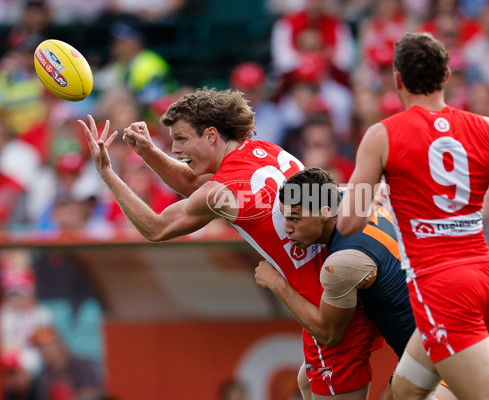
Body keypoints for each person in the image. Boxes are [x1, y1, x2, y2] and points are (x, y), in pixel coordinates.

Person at [77, 88, 379, 398]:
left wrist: (107, 172)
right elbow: (194, 181)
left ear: (210, 135)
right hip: (345, 280)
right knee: (305, 384)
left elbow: (156, 228)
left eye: (181, 139)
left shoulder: (224, 191)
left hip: (327, 303)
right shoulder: (265, 149)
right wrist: (148, 150)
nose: (175, 148)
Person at [337, 32, 489, 400]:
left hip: (441, 290)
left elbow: (348, 224)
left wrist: (372, 193)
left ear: (398, 80)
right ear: (447, 76)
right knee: (402, 394)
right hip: (486, 281)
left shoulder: (382, 136)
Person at [255, 167, 456, 400]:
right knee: (308, 381)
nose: (287, 228)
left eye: (295, 218)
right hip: (437, 339)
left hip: (442, 357)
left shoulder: (343, 262)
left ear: (326, 211)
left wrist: (278, 285)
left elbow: (329, 334)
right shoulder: (353, 199)